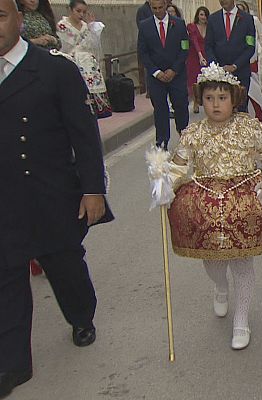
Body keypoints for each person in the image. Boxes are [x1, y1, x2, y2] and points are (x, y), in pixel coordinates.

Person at [0, 0, 113, 395]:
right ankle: (12, 364)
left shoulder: (54, 70)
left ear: (19, 20)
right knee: (6, 278)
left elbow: (83, 136)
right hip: (4, 200)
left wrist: (92, 189)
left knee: (65, 266)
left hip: (50, 193)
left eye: (0, 16)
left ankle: (82, 317)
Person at [147, 62, 262, 351]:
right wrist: (164, 185)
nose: (215, 104)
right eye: (209, 98)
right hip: (205, 204)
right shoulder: (192, 133)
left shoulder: (250, 127)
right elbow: (178, 167)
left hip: (244, 203)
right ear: (201, 99)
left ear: (233, 99)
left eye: (222, 98)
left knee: (242, 262)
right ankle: (220, 286)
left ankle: (241, 320)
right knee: (213, 262)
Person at [137, 0, 189, 149]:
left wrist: (174, 69)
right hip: (156, 77)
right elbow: (143, 52)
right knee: (160, 109)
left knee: (180, 105)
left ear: (166, 5)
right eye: (154, 8)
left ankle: (184, 135)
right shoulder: (144, 25)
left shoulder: (179, 24)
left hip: (176, 75)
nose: (158, 11)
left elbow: (184, 48)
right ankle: (162, 140)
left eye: (160, 7)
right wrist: (156, 72)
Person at [56, 0, 112, 118]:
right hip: (72, 61)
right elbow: (64, 46)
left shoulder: (86, 26)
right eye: (78, 11)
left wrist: (92, 28)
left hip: (88, 63)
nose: (81, 14)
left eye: (84, 12)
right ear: (71, 10)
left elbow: (93, 45)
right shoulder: (63, 25)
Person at [205, 0, 256, 112]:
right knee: (221, 109)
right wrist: (216, 67)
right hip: (219, 74)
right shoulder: (213, 19)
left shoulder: (247, 19)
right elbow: (208, 46)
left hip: (240, 72)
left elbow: (250, 47)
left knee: (241, 108)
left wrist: (235, 65)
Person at [237, 1, 262, 125]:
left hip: (253, 59)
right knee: (243, 93)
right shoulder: (234, 23)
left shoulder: (253, 20)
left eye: (242, 9)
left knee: (255, 91)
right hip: (239, 61)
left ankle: (260, 116)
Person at [187, 6, 209, 113]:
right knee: (195, 79)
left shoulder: (210, 27)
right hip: (195, 56)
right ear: (197, 15)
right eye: (201, 14)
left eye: (205, 15)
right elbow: (194, 41)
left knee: (206, 79)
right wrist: (200, 55)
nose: (203, 17)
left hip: (207, 55)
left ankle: (205, 101)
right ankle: (195, 101)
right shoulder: (192, 27)